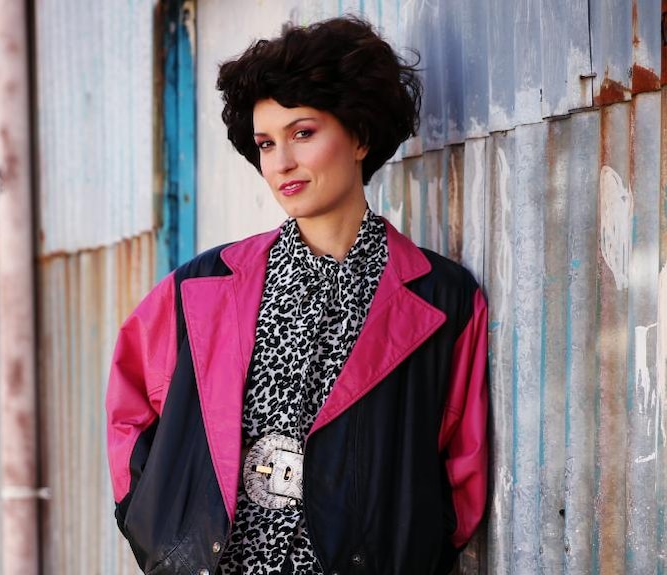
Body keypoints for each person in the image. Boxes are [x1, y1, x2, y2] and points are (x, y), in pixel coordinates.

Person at [106, 15, 488, 575]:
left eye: (303, 133)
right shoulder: (201, 288)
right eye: (266, 143)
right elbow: (130, 407)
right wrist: (159, 528)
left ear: (359, 136)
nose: (282, 162)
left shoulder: (441, 299)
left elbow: (464, 466)